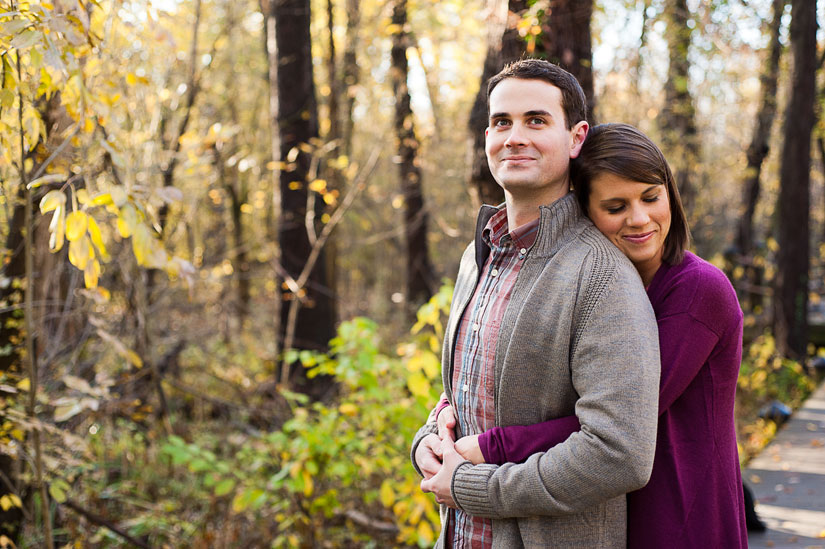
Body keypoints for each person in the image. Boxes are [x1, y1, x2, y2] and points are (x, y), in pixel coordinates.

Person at [438, 123, 748, 548]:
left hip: (680, 514)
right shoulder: (593, 288)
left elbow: (627, 418)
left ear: (670, 195)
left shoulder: (698, 291)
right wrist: (444, 424)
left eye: (651, 197)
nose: (639, 219)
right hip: (601, 510)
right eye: (616, 206)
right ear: (585, 212)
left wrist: (492, 446)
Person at [410, 59, 661, 547]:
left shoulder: (601, 275)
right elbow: (464, 398)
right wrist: (426, 442)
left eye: (536, 120)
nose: (515, 136)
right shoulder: (478, 254)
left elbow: (619, 453)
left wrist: (473, 487)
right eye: (501, 122)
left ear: (576, 137)